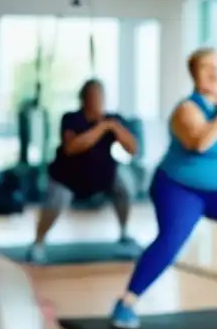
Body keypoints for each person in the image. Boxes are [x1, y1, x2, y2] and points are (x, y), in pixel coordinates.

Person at [109, 48, 217, 329]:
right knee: (171, 241)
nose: (213, 72)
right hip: (180, 188)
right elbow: (200, 143)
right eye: (205, 67)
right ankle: (126, 302)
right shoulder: (187, 108)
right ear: (194, 75)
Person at [28, 80, 139, 263]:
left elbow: (133, 149)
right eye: (93, 96)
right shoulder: (71, 119)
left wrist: (114, 128)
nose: (97, 101)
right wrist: (102, 128)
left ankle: (124, 235)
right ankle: (38, 243)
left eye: (100, 96)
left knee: (124, 185)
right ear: (83, 99)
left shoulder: (113, 120)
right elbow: (72, 147)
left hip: (101, 177)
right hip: (67, 177)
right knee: (57, 199)